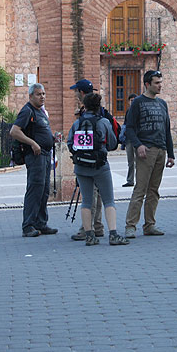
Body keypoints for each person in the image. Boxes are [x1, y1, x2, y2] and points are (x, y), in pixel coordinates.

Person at [67, 93, 129, 246]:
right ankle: (113, 234)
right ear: (99, 106)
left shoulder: (77, 123)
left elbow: (70, 143)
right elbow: (113, 143)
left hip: (81, 166)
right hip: (100, 166)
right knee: (109, 200)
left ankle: (89, 235)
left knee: (86, 201)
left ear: (85, 106)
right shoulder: (103, 122)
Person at [124, 70, 175, 238]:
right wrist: (138, 145)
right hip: (146, 151)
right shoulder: (138, 102)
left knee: (154, 191)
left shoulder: (162, 104)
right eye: (156, 83)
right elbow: (129, 128)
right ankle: (131, 226)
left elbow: (166, 129)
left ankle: (150, 225)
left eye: (161, 82)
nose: (160, 85)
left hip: (161, 150)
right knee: (140, 189)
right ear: (147, 84)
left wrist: (171, 154)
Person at [10, 83, 58, 237]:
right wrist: (33, 143)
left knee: (44, 191)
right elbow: (14, 131)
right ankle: (28, 225)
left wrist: (52, 138)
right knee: (35, 190)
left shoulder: (40, 112)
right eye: (38, 94)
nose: (42, 97)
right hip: (35, 156)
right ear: (31, 96)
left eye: (43, 94)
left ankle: (40, 223)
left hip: (45, 155)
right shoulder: (27, 111)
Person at [68, 78, 114, 241]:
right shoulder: (103, 116)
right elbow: (112, 142)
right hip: (100, 162)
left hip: (84, 163)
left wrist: (77, 155)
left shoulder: (81, 118)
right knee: (103, 196)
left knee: (89, 198)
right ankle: (100, 227)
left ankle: (88, 230)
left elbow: (71, 142)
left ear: (81, 93)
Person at [121, 93, 138, 187]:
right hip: (129, 140)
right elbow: (125, 124)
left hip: (137, 139)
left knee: (139, 162)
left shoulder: (139, 111)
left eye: (134, 100)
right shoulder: (128, 111)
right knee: (130, 161)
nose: (133, 102)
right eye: (131, 100)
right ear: (128, 102)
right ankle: (130, 180)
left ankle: (140, 180)